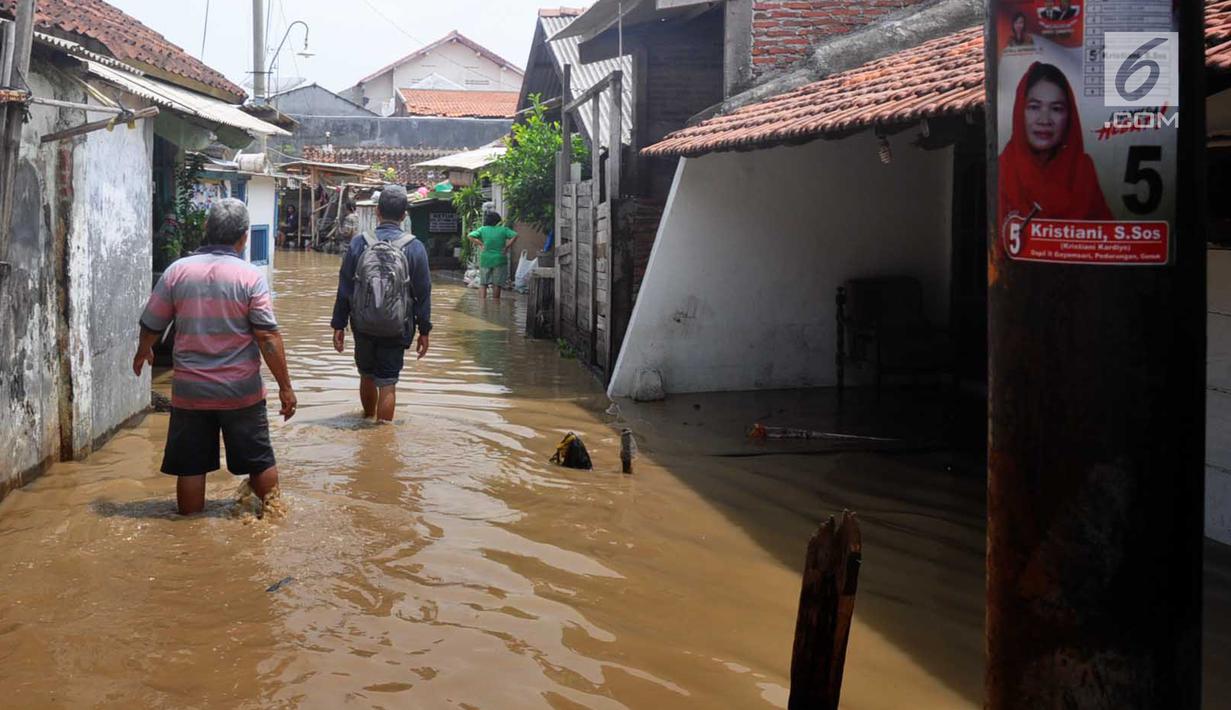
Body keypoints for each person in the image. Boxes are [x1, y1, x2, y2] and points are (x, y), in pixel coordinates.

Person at [133, 199, 297, 516]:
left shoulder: (177, 272)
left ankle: (190, 538)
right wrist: (286, 387)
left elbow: (151, 323)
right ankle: (273, 526)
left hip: (191, 392)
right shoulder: (250, 277)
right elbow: (267, 337)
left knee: (192, 467)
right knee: (259, 461)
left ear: (207, 230)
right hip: (242, 393)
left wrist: (143, 350)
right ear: (244, 237)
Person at [330, 185, 432, 422]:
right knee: (387, 382)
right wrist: (424, 330)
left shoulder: (359, 244)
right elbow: (423, 293)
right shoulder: (415, 248)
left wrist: (338, 325)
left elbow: (345, 287)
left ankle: (367, 422)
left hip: (362, 324)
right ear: (404, 215)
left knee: (366, 375)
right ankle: (383, 438)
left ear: (377, 212)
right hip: (397, 326)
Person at [998, 62, 1111, 225]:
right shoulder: (1004, 168)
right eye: (1034, 107)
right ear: (1019, 111)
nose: (1044, 120)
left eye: (1056, 109)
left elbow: (1106, 235)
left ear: (1069, 116)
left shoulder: (1082, 170)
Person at [468, 210, 517, 301]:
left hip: (485, 259)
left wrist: (480, 244)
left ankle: (482, 304)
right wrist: (507, 247)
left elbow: (470, 235)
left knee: (483, 283)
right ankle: (495, 304)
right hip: (499, 259)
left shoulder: (482, 229)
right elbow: (515, 235)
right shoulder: (503, 230)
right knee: (497, 284)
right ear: (497, 221)